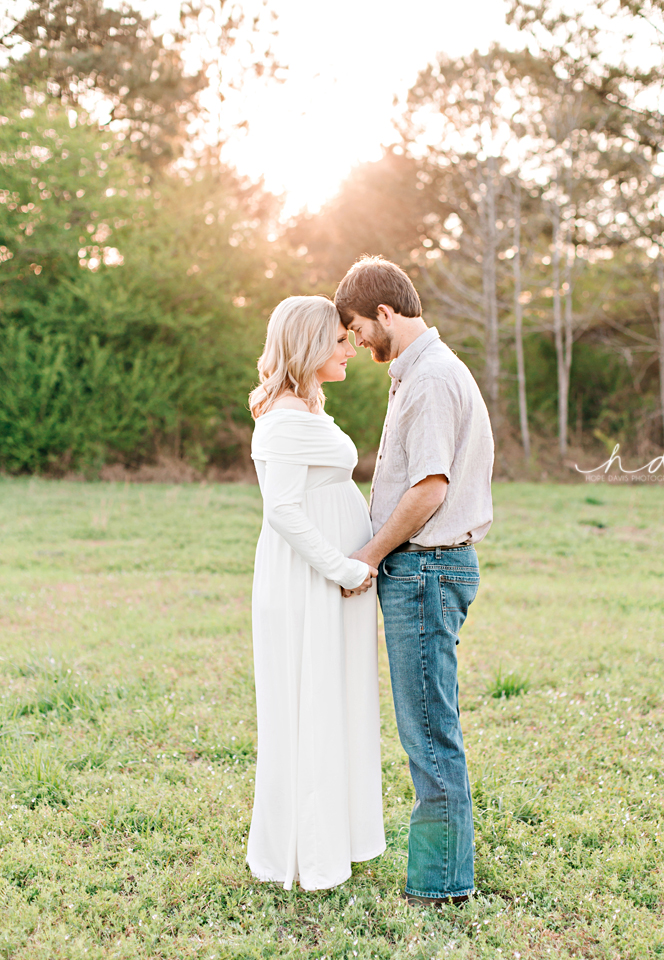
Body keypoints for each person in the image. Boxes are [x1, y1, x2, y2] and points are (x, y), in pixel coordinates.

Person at [334, 257, 494, 907]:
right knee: (427, 727)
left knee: (429, 733)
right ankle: (442, 873)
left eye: (354, 329)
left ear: (384, 314)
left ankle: (441, 886)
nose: (354, 344)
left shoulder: (429, 379)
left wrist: (368, 555)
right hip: (425, 569)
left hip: (425, 569)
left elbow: (429, 489)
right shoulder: (420, 372)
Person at [246, 295, 386, 892]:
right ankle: (303, 854)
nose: (350, 346)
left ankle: (335, 839)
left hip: (326, 583)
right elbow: (281, 509)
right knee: (309, 706)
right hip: (309, 582)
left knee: (333, 703)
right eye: (338, 340)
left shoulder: (304, 409)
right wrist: (342, 568)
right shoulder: (283, 419)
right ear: (307, 345)